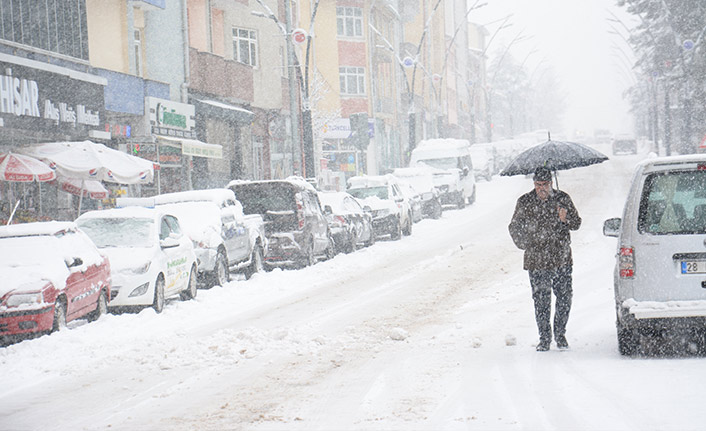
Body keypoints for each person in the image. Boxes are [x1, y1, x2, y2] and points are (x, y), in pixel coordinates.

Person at [508, 166, 582, 351]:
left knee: (564, 297)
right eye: (538, 184)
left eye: (546, 184)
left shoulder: (562, 199)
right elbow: (514, 227)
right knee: (541, 300)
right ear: (534, 184)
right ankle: (544, 338)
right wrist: (526, 244)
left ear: (551, 183)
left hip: (561, 258)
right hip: (537, 260)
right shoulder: (525, 202)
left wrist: (565, 218)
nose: (542, 188)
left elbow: (577, 223)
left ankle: (560, 334)